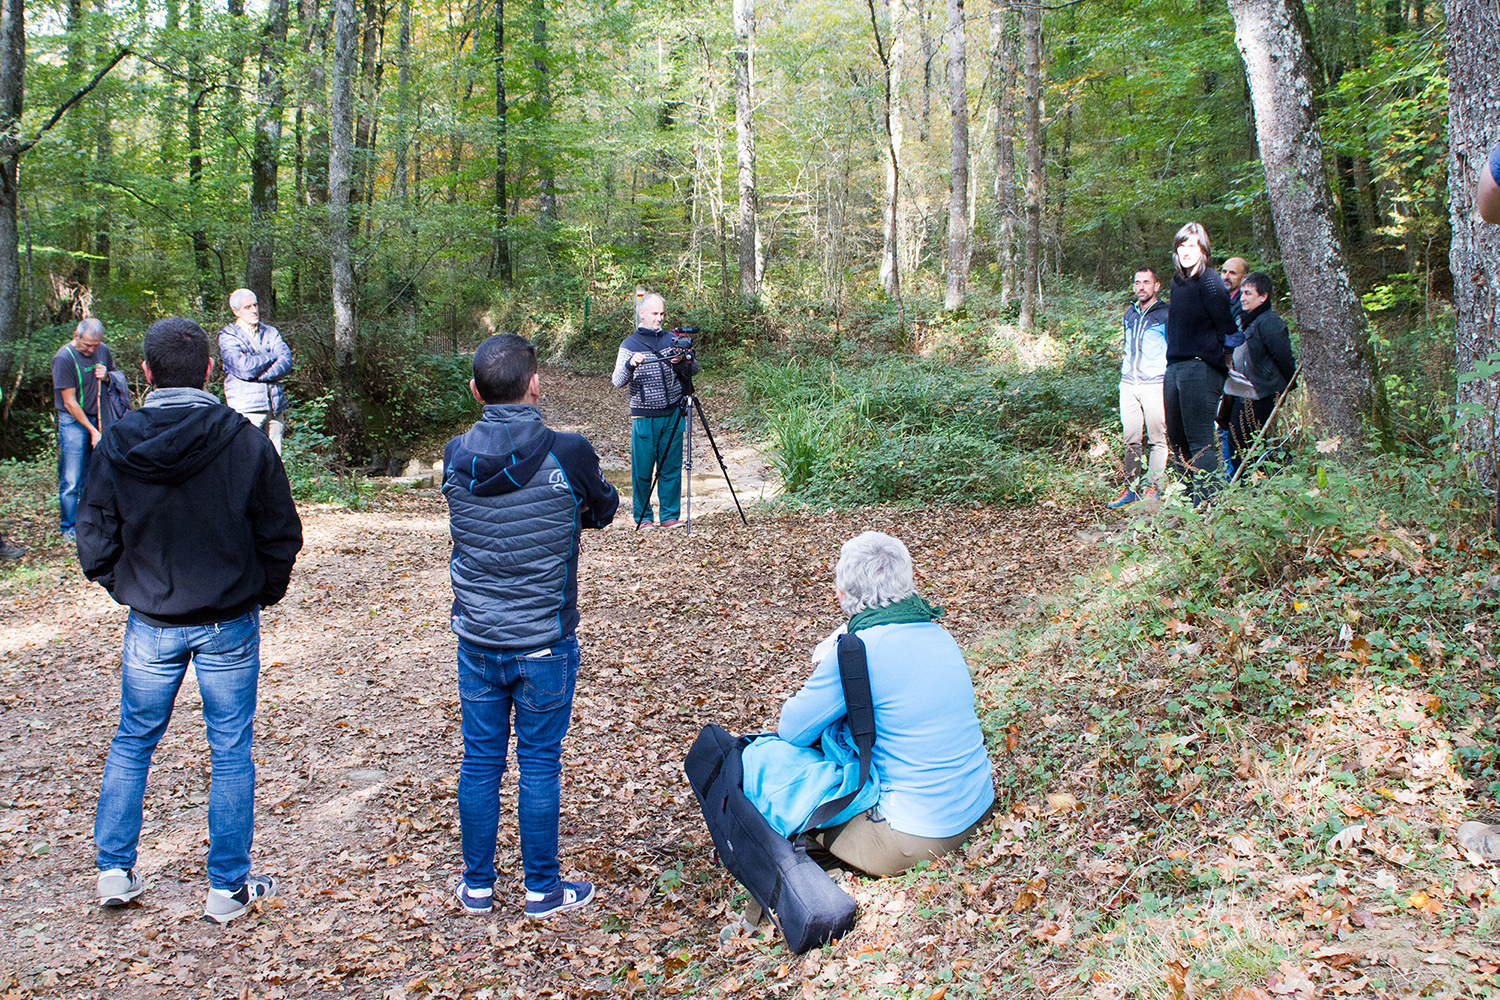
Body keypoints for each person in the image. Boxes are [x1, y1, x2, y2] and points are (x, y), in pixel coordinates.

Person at [78, 317, 303, 923]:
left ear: (146, 373)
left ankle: (113, 870)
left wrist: (130, 587)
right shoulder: (243, 439)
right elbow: (281, 533)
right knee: (229, 749)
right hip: (224, 618)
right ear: (209, 369)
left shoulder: (117, 442)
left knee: (133, 741)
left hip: (156, 620)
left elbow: (94, 537)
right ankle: (226, 888)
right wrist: (258, 591)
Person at [724, 531, 995, 938]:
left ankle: (758, 913)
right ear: (908, 581)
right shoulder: (939, 633)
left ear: (842, 594)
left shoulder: (856, 649)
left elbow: (792, 730)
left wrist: (828, 661)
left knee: (758, 760)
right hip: (975, 810)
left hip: (913, 837)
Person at [444, 333, 619, 920]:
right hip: (545, 637)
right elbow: (603, 510)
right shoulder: (566, 452)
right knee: (539, 762)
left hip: (478, 636)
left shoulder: (454, 455)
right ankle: (543, 890)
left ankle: (478, 886)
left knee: (480, 760)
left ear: (475, 391)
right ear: (535, 384)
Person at [1163, 222, 1236, 507]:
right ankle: (1189, 504)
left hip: (1201, 368)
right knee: (1177, 439)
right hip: (1175, 367)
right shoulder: (1178, 283)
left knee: (1199, 440)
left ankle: (1208, 507)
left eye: (1191, 246)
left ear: (1203, 249)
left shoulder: (1210, 280)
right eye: (1181, 247)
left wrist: (1219, 357)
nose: (1185, 252)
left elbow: (1228, 329)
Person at [611, 293, 698, 528]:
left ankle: (669, 516)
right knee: (642, 469)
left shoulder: (672, 339)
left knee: (671, 467)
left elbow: (694, 369)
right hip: (644, 415)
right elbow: (617, 380)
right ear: (642, 313)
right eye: (654, 314)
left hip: (672, 412)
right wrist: (631, 364)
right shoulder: (630, 344)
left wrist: (682, 361)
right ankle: (643, 518)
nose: (659, 318)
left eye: (662, 314)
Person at [1109, 267, 1169, 509]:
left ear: (1157, 286)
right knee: (1131, 439)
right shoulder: (1129, 313)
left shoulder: (1166, 314)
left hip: (1155, 383)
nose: (1141, 286)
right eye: (1137, 282)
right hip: (1128, 384)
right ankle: (1131, 488)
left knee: (1158, 439)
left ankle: (1153, 488)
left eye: (1146, 282)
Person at [52, 318, 116, 542]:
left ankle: (89, 521)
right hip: (72, 421)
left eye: (95, 345)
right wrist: (92, 431)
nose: (91, 349)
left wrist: (106, 375)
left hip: (97, 416)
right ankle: (68, 526)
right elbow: (69, 402)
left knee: (94, 473)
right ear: (76, 335)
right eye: (87, 345)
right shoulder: (63, 358)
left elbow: (115, 380)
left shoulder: (102, 351)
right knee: (72, 477)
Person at [1224, 272, 1296, 472]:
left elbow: (1283, 357)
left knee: (1252, 444)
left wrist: (1288, 387)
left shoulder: (1269, 322)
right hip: (1244, 393)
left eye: (1248, 293)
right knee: (1237, 443)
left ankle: (1264, 481)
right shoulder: (1246, 320)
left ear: (1263, 297)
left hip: (1262, 393)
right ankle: (1248, 485)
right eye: (1242, 293)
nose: (1243, 297)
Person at [218, 288, 293, 454]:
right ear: (235, 311)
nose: (254, 310)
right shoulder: (228, 336)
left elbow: (286, 362)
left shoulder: (271, 332)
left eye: (255, 305)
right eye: (247, 307)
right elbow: (243, 367)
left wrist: (259, 375)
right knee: (248, 459)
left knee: (275, 462)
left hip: (274, 406)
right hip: (247, 407)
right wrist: (271, 356)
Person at [1217, 257, 1250, 473]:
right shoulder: (1218, 298)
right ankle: (1231, 474)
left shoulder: (1245, 303)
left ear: (1244, 278)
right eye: (1224, 271)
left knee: (1237, 427)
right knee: (1221, 426)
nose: (1226, 277)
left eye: (1233, 273)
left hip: (1238, 372)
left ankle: (1239, 477)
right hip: (1217, 368)